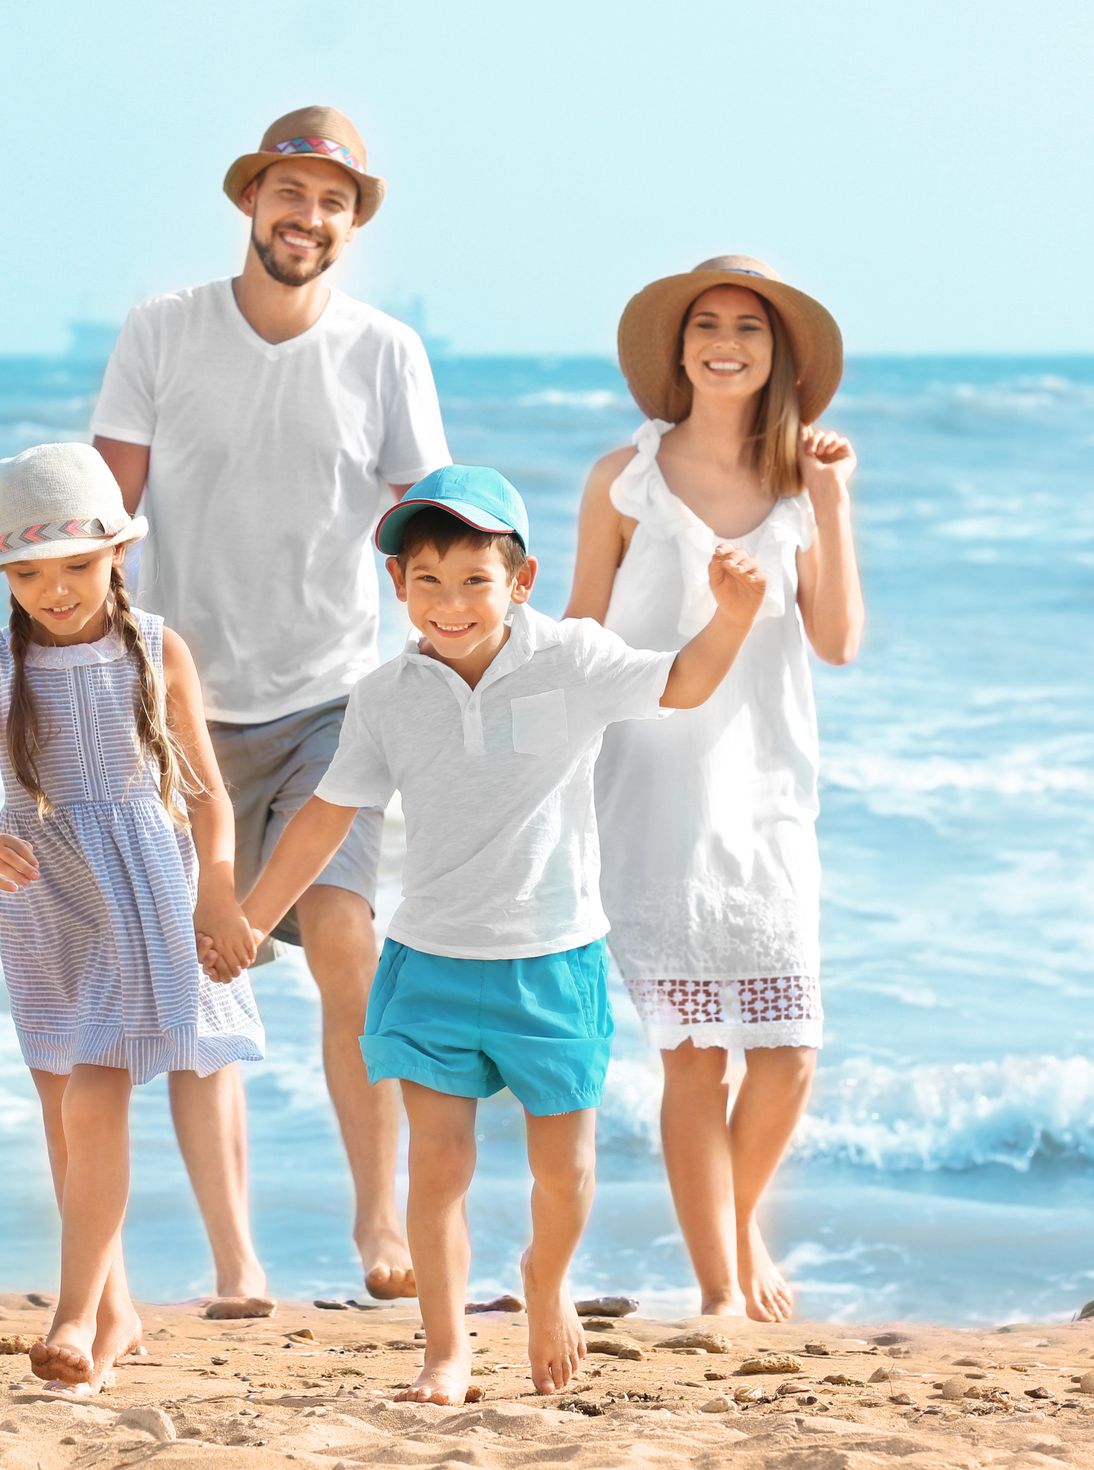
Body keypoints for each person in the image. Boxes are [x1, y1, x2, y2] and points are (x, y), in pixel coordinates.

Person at [228, 465, 768, 1403]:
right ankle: (444, 1352)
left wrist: (728, 616)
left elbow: (681, 684)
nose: (449, 603)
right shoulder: (386, 695)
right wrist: (246, 915)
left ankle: (544, 1281)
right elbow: (324, 816)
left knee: (565, 1172)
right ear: (398, 588)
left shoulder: (573, 659)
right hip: (430, 960)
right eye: (427, 581)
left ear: (518, 581)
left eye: (474, 580)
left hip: (552, 961)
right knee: (438, 1167)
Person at [89, 104, 451, 1302]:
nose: (310, 218)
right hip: (183, 708)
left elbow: (424, 528)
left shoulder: (386, 352)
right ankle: (238, 1265)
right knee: (207, 974)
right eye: (292, 194)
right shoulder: (162, 331)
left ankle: (379, 1225)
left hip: (330, 704)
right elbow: (109, 518)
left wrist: (457, 668)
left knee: (347, 945)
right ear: (252, 201)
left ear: (354, 222)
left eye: (335, 201)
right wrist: (93, 681)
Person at [565, 255, 865, 1322]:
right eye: (706, 323)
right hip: (650, 790)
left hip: (769, 791)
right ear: (678, 346)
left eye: (748, 325)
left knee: (788, 1052)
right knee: (694, 1061)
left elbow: (836, 641)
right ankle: (719, 1290)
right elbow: (581, 636)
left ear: (778, 353)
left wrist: (833, 503)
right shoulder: (623, 481)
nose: (725, 340)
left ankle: (737, 1228)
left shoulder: (799, 486)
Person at [0, 443, 264, 1396]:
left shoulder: (157, 650)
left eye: (76, 564)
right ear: (6, 577)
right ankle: (113, 1308)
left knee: (98, 1086)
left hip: (142, 891)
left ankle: (73, 1318)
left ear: (117, 553)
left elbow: (205, 795)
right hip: (42, 897)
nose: (55, 589)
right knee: (62, 1104)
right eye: (30, 573)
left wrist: (218, 887)